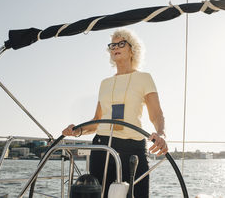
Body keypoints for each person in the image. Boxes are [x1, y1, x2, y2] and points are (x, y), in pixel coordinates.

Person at [62, 28, 168, 198]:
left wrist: (161, 133)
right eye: (112, 45)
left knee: (138, 194)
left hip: (132, 147)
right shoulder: (105, 83)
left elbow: (156, 114)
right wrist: (78, 131)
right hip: (102, 146)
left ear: (132, 49)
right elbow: (97, 121)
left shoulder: (144, 78)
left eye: (121, 43)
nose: (115, 47)